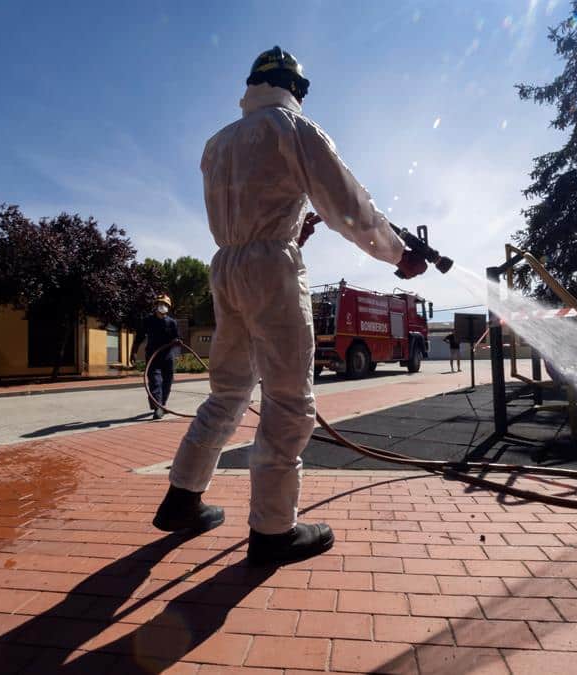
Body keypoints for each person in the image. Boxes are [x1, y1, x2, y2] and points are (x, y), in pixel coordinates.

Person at [151, 46, 427, 565]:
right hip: (270, 270)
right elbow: (350, 208)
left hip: (226, 266)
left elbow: (249, 209)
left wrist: (286, 232)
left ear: (252, 84)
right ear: (297, 90)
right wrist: (398, 256)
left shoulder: (217, 144)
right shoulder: (294, 130)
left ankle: (182, 497)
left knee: (228, 390)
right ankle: (274, 530)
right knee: (288, 397)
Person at [130, 294, 180, 420]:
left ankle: (161, 405)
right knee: (155, 382)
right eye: (159, 304)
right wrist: (134, 352)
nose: (162, 306)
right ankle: (158, 407)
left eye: (165, 304)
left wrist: (177, 341)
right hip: (153, 356)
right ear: (155, 306)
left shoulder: (172, 322)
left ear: (168, 307)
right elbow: (139, 337)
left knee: (167, 382)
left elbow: (177, 337)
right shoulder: (147, 321)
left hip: (167, 357)